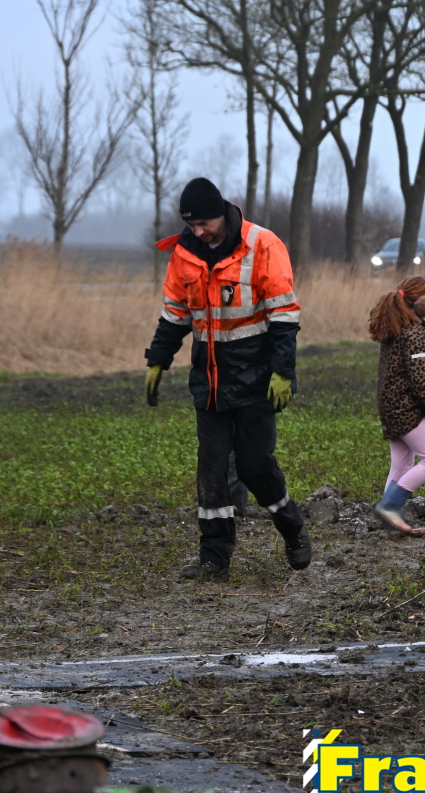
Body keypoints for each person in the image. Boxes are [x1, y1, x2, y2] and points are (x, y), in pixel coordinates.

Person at [144, 177, 313, 580]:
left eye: (204, 223)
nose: (198, 231)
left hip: (256, 378)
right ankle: (214, 558)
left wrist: (282, 372)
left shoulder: (263, 245)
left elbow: (284, 316)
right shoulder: (183, 253)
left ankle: (292, 527)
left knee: (254, 465)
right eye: (191, 224)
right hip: (209, 382)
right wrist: (158, 360)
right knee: (212, 470)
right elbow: (175, 315)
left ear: (221, 212)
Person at [368, 276, 425, 535]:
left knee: (401, 465)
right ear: (419, 301)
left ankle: (388, 523)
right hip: (407, 409)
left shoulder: (397, 329)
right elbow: (421, 376)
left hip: (391, 407)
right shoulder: (415, 334)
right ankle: (390, 506)